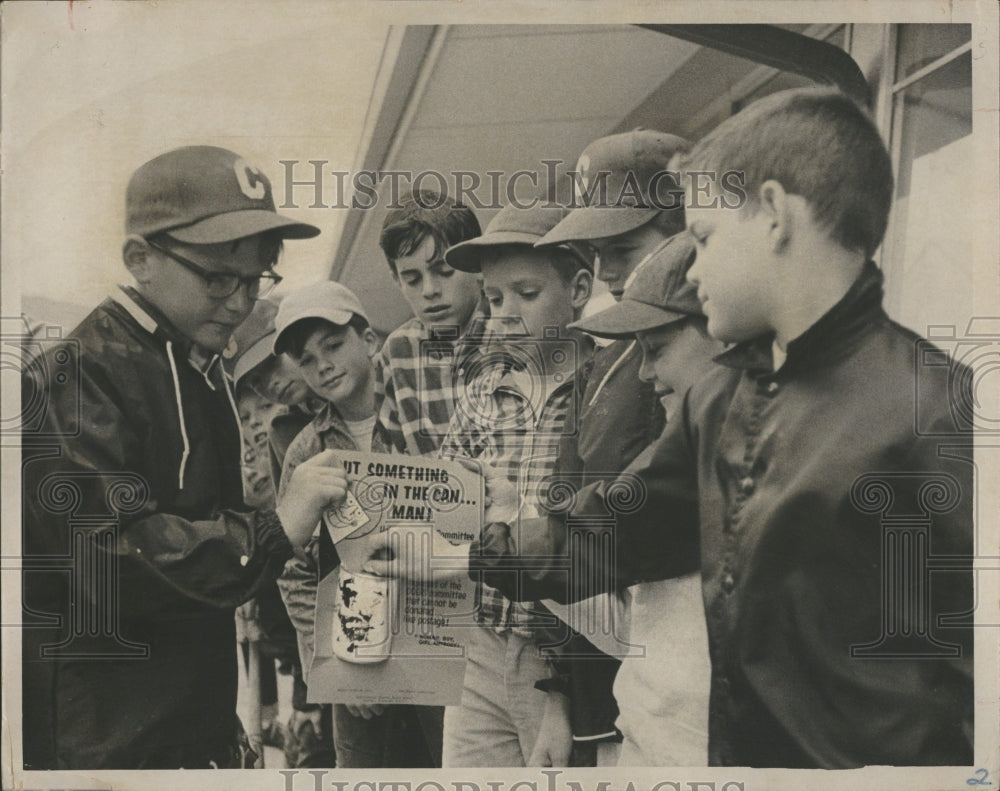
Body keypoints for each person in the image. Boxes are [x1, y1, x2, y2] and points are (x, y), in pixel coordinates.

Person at [470, 88, 974, 768]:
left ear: (773, 215)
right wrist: (495, 543)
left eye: (704, 238)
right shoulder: (721, 404)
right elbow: (610, 532)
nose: (695, 267)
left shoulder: (940, 413)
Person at [20, 145, 349, 769]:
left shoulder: (196, 365)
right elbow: (110, 558)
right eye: (218, 278)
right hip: (107, 746)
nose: (239, 301)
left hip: (180, 730)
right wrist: (276, 527)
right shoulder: (78, 371)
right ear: (140, 259)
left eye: (255, 280)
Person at [530, 130, 691, 766]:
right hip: (608, 693)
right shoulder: (606, 355)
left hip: (673, 691)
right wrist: (558, 699)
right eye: (597, 253)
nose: (610, 273)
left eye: (625, 247)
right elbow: (565, 518)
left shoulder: (700, 365)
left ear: (686, 231)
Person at [435, 200, 594, 767]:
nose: (505, 314)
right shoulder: (484, 392)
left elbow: (600, 546)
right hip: (479, 642)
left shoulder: (603, 392)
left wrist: (565, 691)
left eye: (526, 295)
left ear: (578, 289)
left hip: (557, 654)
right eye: (494, 298)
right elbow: (444, 502)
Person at [561, 240, 724, 765]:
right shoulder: (685, 454)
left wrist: (481, 547)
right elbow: (636, 633)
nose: (644, 374)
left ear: (724, 336)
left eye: (656, 350)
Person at [271, 280, 442, 768]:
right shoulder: (307, 451)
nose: (322, 365)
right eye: (306, 359)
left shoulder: (422, 416)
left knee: (457, 768)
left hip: (438, 646)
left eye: (333, 344)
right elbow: (293, 568)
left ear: (368, 341)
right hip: (358, 652)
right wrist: (336, 664)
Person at [228, 297, 337, 767]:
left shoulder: (361, 388)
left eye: (272, 362)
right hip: (331, 621)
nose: (268, 382)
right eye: (254, 381)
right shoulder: (283, 431)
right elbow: (294, 551)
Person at [373, 189, 486, 458]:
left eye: (444, 271)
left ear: (476, 263)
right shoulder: (396, 354)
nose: (429, 290)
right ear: (396, 279)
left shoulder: (515, 331)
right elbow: (391, 463)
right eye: (412, 279)